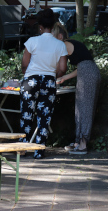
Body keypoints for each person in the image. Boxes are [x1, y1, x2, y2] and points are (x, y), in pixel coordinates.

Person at [20, 9, 68, 159]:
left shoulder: (32, 41)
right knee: (44, 116)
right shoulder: (60, 45)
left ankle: (22, 149)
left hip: (30, 80)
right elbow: (62, 69)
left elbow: (24, 64)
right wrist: (54, 75)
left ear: (40, 26)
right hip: (49, 81)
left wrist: (27, 74)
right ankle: (39, 151)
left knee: (26, 115)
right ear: (53, 25)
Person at [52, 23, 101, 154]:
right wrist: (64, 78)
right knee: (80, 108)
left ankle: (83, 145)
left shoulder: (63, 45)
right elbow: (81, 67)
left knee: (85, 108)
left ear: (60, 36)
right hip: (87, 72)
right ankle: (78, 141)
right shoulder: (69, 45)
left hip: (88, 74)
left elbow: (59, 66)